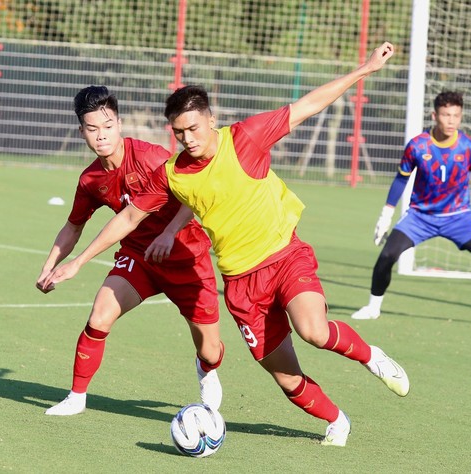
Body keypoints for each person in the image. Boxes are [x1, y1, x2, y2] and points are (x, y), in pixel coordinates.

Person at [42, 42, 409, 448]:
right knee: (286, 377)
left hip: (284, 256)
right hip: (240, 283)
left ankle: (370, 356)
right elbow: (130, 217)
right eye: (179, 133)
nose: (188, 139)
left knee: (314, 331)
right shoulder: (173, 173)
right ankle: (337, 421)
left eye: (194, 129)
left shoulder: (246, 137)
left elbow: (308, 105)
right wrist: (77, 262)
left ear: (210, 120)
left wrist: (364, 70)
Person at [36, 85, 224, 416]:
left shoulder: (152, 157)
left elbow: (193, 195)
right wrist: (51, 265)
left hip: (185, 255)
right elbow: (73, 227)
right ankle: (76, 397)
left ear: (119, 124)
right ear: (82, 131)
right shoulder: (90, 180)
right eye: (92, 129)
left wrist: (168, 233)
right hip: (140, 256)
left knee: (210, 351)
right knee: (100, 315)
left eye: (107, 127)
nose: (101, 136)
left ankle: (206, 370)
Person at [351, 91, 471, 331]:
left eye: (456, 115)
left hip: (460, 217)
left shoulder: (469, 147)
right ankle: (373, 307)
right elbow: (401, 180)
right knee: (387, 256)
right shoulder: (417, 145)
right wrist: (386, 214)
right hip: (420, 217)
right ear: (435, 115)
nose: (451, 120)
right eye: (446, 115)